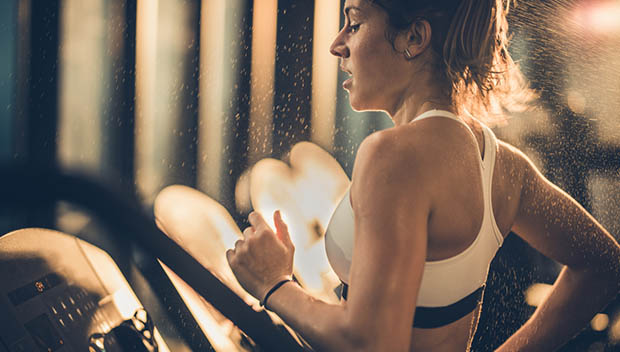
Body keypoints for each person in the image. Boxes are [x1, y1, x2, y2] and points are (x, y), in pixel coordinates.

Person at [226, 0, 620, 350]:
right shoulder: (503, 167)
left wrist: (273, 283)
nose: (337, 44)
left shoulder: (393, 155)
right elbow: (603, 264)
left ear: (413, 38)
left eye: (355, 23)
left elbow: (371, 342)